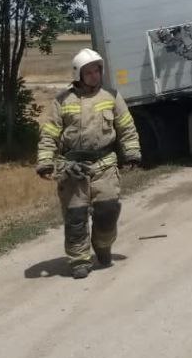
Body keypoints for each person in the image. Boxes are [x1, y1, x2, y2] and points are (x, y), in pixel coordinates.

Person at [36, 48, 141, 279]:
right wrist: (45, 162)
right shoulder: (62, 101)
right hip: (72, 169)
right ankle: (79, 260)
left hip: (104, 165)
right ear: (78, 74)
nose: (95, 75)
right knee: (76, 217)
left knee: (108, 211)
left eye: (97, 70)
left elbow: (126, 128)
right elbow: (49, 134)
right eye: (89, 71)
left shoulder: (111, 96)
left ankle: (103, 246)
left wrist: (132, 153)